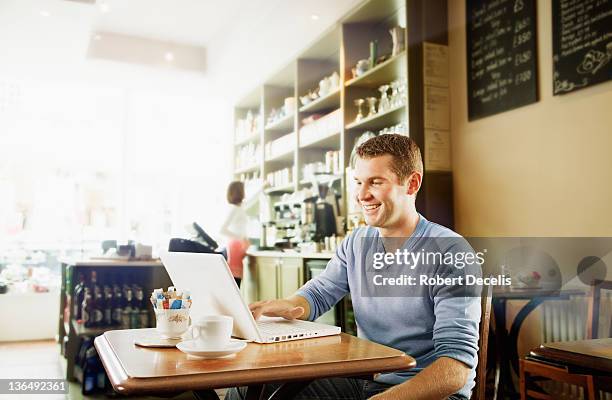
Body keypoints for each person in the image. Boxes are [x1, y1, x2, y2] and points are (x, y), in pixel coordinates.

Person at [227, 134, 481, 400]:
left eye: (375, 182)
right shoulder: (357, 243)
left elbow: (455, 369)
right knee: (250, 387)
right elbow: (320, 292)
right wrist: (288, 305)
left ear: (412, 183)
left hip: (428, 391)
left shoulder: (450, 252)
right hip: (368, 382)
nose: (361, 195)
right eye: (358, 182)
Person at [219, 181, 251, 288]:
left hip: (237, 246)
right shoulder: (234, 209)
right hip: (235, 247)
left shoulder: (239, 207)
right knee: (235, 282)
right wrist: (241, 238)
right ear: (239, 192)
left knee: (235, 281)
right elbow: (222, 229)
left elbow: (252, 198)